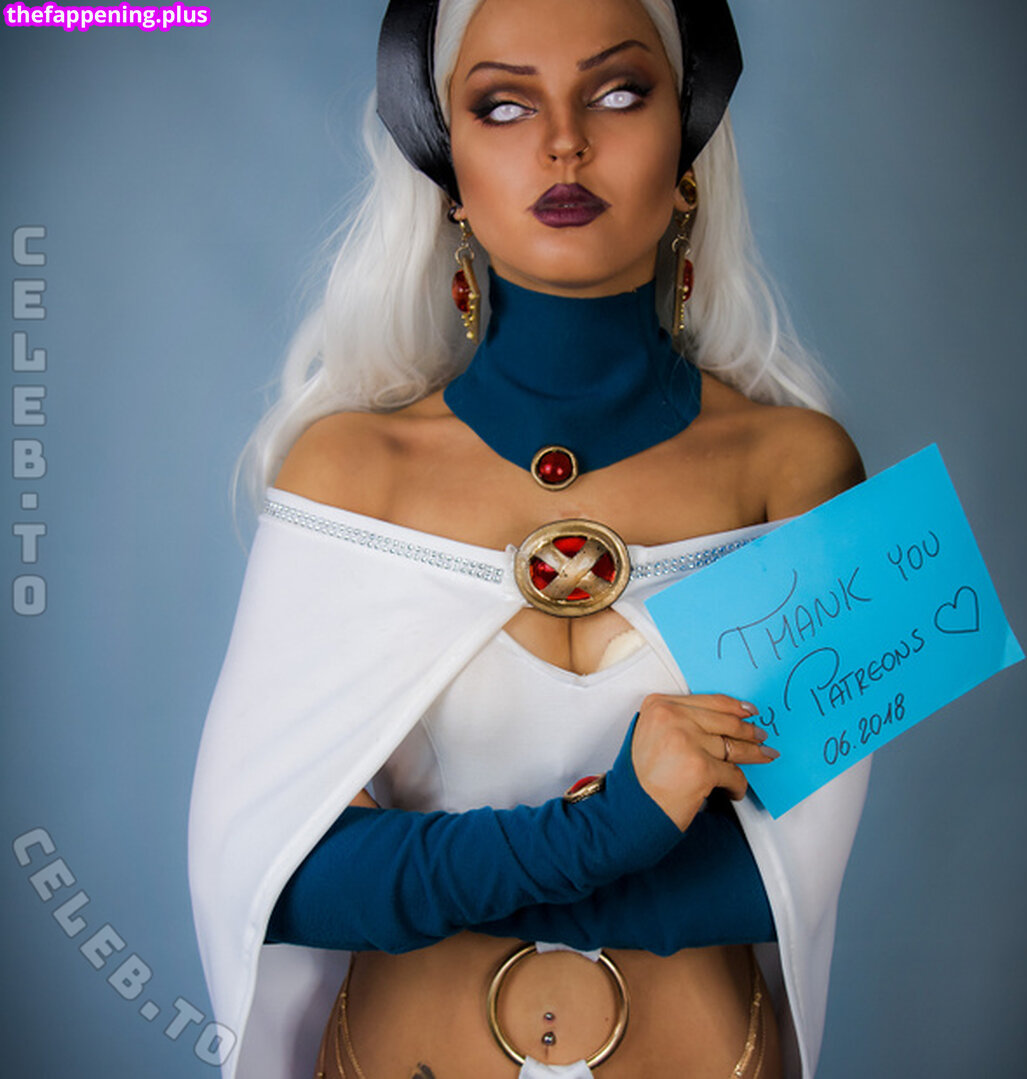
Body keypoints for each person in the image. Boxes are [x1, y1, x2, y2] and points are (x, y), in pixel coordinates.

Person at [188, 1, 871, 1077]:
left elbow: (784, 882)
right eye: (503, 105)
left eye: (618, 92)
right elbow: (279, 881)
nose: (563, 142)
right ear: (446, 170)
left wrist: (422, 875)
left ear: (688, 145)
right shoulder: (349, 471)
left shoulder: (801, 473)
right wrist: (617, 826)